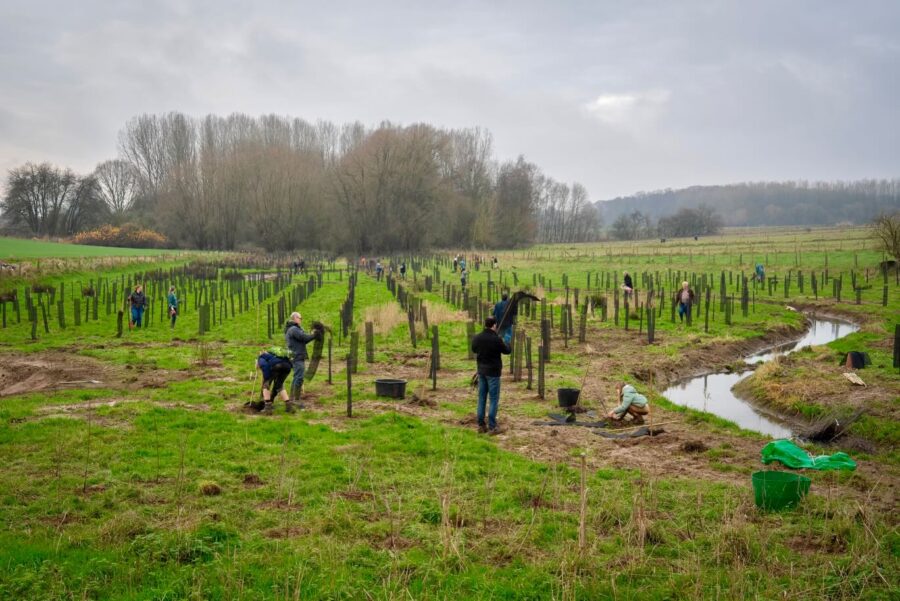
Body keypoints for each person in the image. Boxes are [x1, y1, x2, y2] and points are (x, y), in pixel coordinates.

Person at [471, 317, 511, 434]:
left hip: (481, 372)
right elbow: (507, 351)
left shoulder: (477, 337)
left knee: (482, 398)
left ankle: (481, 425)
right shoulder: (496, 339)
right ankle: (492, 426)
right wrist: (507, 341)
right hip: (493, 373)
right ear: (494, 325)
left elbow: (474, 349)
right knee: (493, 399)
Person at [284, 312, 324, 412]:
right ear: (295, 318)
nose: (301, 319)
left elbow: (304, 340)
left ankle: (293, 398)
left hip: (296, 355)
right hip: (297, 356)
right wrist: (314, 335)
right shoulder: (293, 329)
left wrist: (313, 336)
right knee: (299, 377)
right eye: (300, 318)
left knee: (297, 376)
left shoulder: (294, 329)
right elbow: (304, 338)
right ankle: (296, 400)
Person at [253, 347, 293, 414]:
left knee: (266, 385)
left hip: (276, 366)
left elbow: (265, 367)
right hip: (287, 367)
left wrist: (266, 379)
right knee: (279, 386)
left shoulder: (261, 357)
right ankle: (289, 407)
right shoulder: (275, 354)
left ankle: (268, 408)